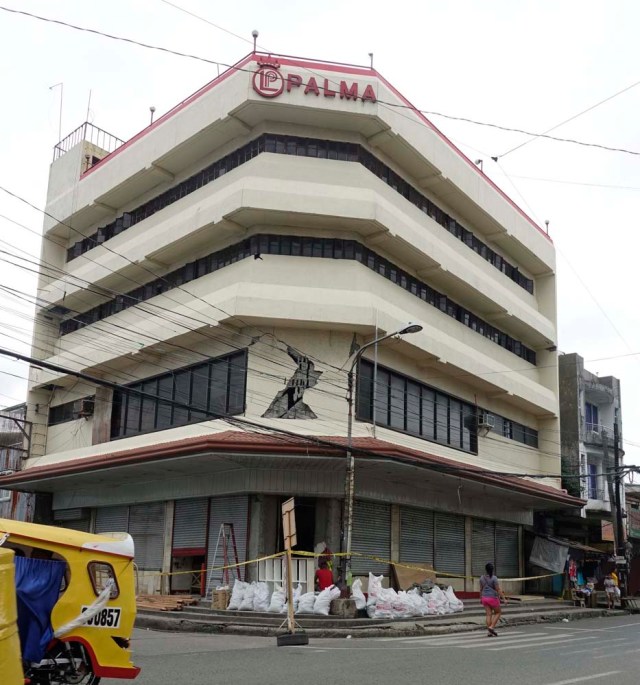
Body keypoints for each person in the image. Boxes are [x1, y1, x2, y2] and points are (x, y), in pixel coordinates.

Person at [479, 562, 507, 637]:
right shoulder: (494, 578)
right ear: (492, 569)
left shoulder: (481, 577)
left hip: (484, 598)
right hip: (493, 598)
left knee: (488, 614)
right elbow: (498, 589)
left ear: (486, 569)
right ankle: (492, 627)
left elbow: (481, 589)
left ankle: (489, 632)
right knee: (498, 613)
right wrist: (504, 598)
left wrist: (480, 598)